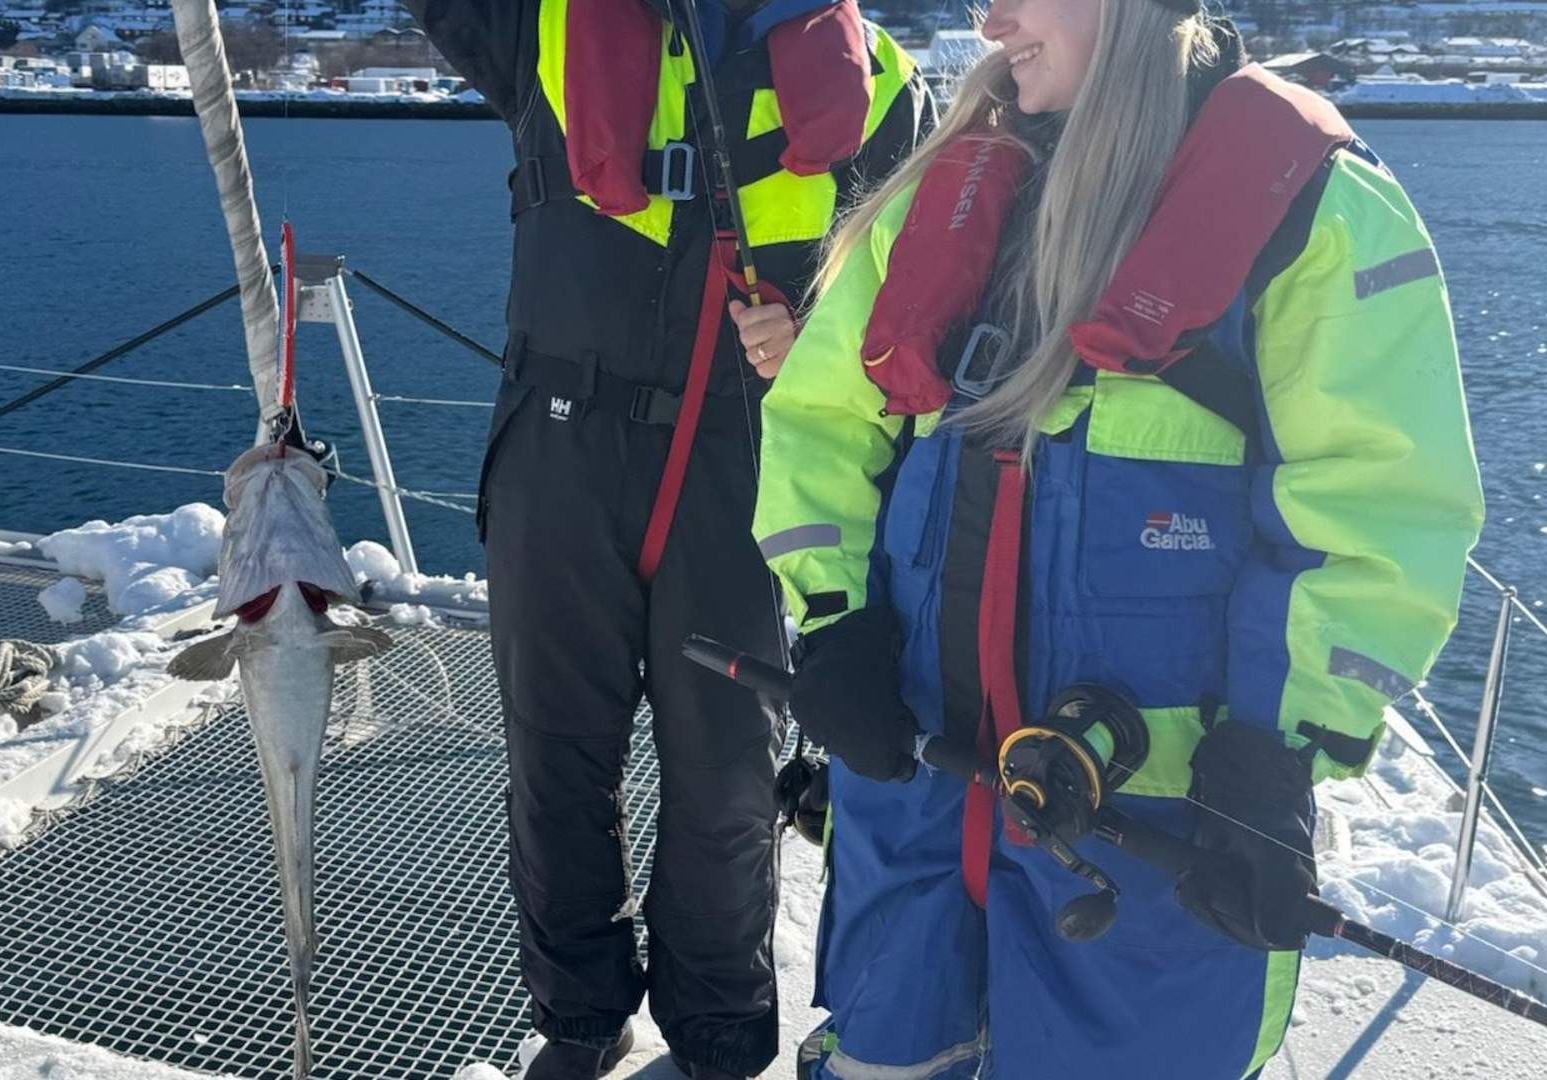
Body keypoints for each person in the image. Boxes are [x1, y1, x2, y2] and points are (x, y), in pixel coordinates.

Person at [752, 1, 1484, 1078]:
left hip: (1152, 826)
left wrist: (1275, 754)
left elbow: (1382, 505)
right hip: (910, 783)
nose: (989, 18)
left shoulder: (1313, 207)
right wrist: (834, 623)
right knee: (882, 1058)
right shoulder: (945, 196)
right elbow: (818, 425)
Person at [400, 1, 930, 1076]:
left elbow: (926, 290)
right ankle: (580, 1017)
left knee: (728, 776)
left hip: (743, 472)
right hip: (558, 460)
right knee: (555, 759)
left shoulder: (874, 76)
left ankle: (722, 1037)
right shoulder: (535, 23)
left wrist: (816, 328)